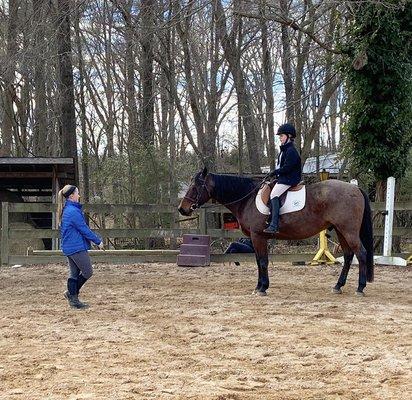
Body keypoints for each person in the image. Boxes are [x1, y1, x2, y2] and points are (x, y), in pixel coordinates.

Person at [57, 185, 103, 309]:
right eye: (77, 193)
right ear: (71, 196)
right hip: (76, 247)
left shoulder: (68, 209)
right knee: (88, 272)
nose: (79, 195)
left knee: (74, 274)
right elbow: (84, 229)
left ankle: (73, 299)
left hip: (70, 246)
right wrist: (97, 241)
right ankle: (71, 294)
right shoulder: (72, 212)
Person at [263, 123, 302, 234]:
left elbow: (287, 168)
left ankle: (274, 225)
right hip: (284, 178)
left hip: (290, 179)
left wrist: (274, 172)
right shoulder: (284, 150)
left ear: (289, 136)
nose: (280, 138)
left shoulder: (291, 151)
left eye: (281, 136)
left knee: (273, 195)